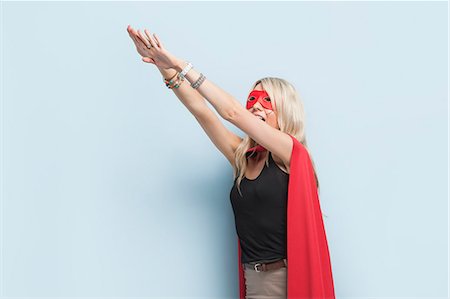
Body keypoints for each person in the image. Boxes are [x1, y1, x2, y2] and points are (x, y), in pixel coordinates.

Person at [126, 25, 336, 299]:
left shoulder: (291, 153)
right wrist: (163, 67)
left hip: (287, 283)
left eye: (266, 100)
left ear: (284, 109)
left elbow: (232, 113)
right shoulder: (242, 158)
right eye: (252, 99)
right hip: (253, 282)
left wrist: (179, 63)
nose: (256, 106)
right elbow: (202, 111)